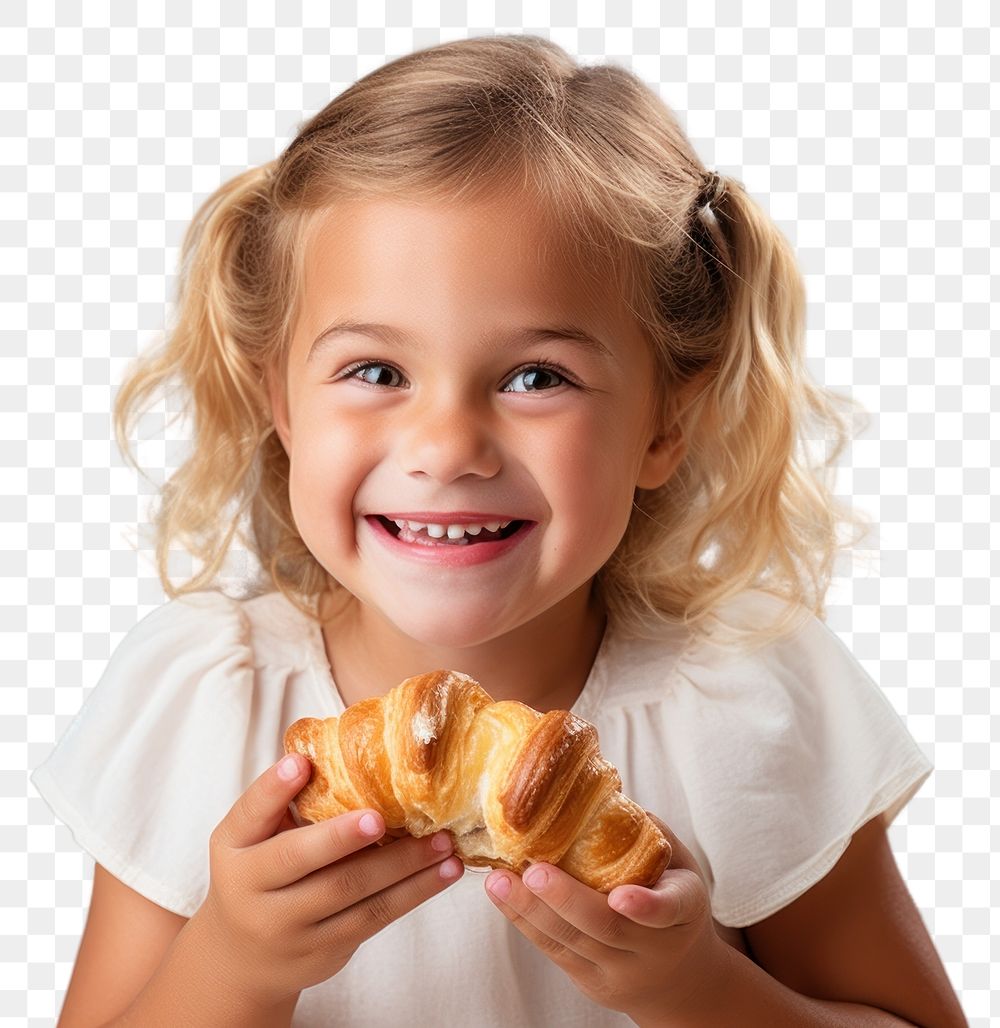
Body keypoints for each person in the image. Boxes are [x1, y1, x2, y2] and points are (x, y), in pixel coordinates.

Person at [31, 33, 966, 1028]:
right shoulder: (207, 705)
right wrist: (232, 960)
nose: (446, 445)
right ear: (284, 404)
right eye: (376, 371)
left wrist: (696, 988)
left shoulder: (742, 702)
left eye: (536, 377)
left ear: (665, 422)